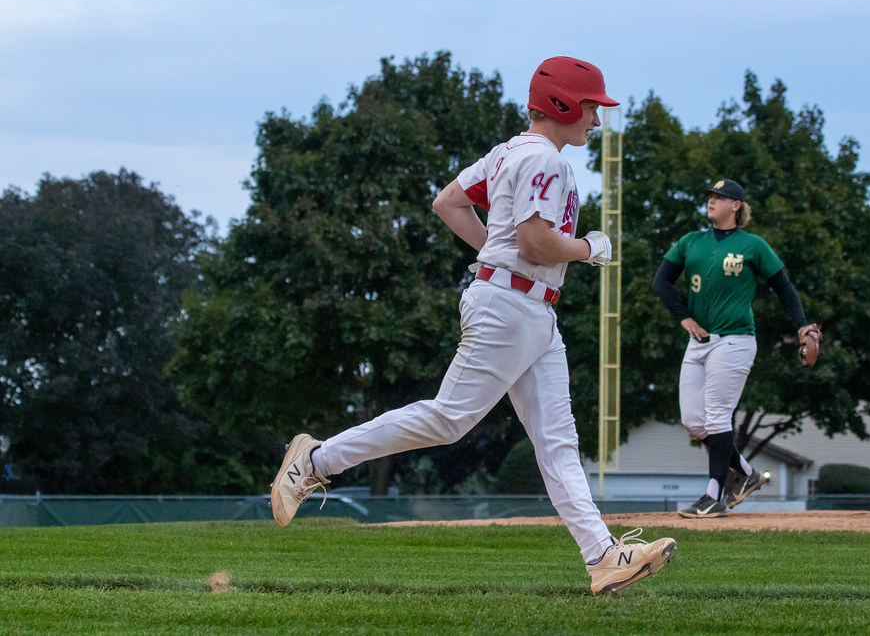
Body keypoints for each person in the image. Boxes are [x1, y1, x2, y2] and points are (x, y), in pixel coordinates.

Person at [271, 56, 676, 595]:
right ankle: (315, 459)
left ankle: (603, 556)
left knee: (557, 442)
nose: (596, 120)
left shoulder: (509, 150)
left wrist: (498, 253)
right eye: (589, 107)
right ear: (560, 104)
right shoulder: (546, 161)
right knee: (448, 419)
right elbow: (535, 243)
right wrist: (588, 249)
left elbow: (449, 202)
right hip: (509, 307)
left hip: (527, 307)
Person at [652, 178, 816, 518]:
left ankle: (714, 496)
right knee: (693, 421)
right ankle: (746, 472)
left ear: (736, 206)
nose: (711, 201)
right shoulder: (690, 241)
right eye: (710, 195)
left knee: (716, 416)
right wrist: (683, 318)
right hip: (698, 342)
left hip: (735, 340)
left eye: (719, 197)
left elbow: (783, 287)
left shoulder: (752, 245)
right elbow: (661, 281)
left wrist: (802, 325)